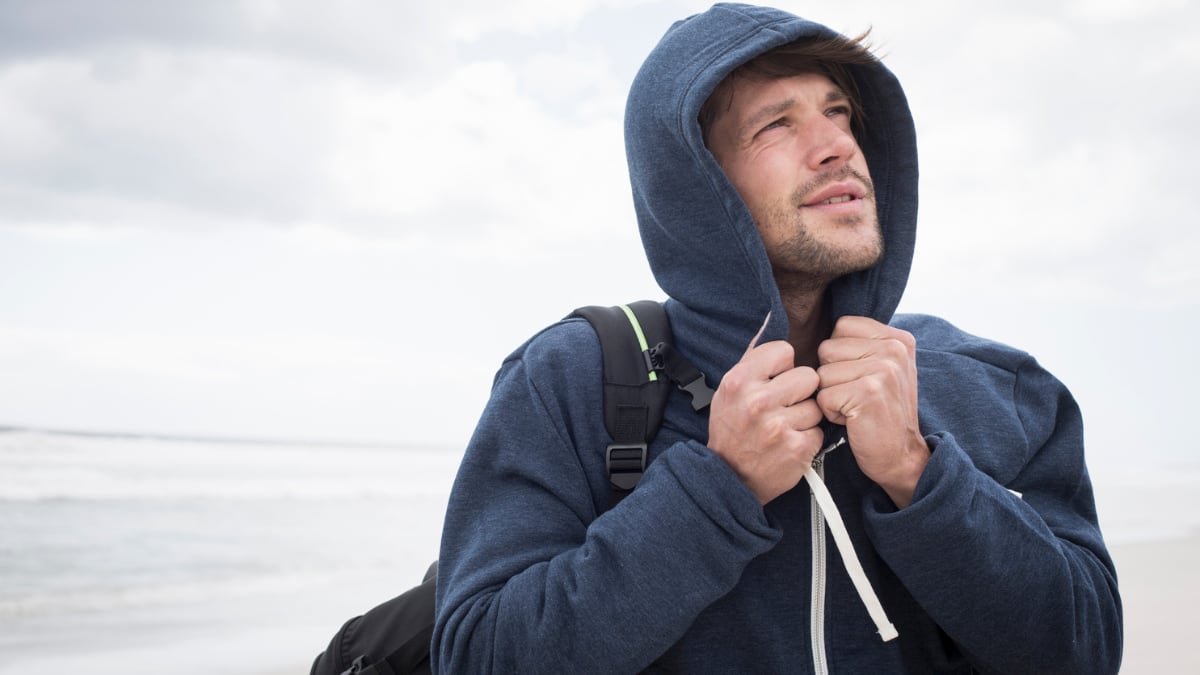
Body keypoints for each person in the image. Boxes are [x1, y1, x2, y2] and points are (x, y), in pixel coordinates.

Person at [431, 3, 1122, 673]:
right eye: (775, 126)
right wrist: (716, 490)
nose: (836, 147)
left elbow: (1085, 652)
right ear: (696, 187)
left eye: (838, 112)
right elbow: (473, 656)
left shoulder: (996, 385)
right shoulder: (570, 382)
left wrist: (920, 474)